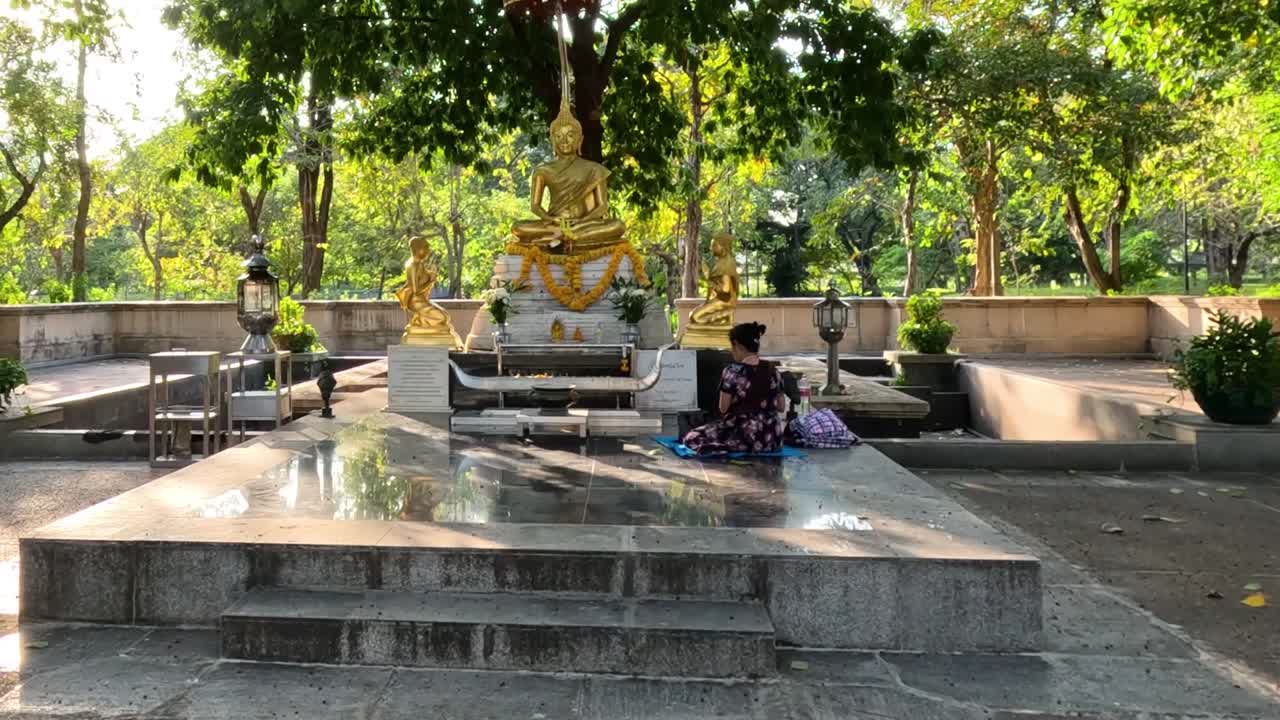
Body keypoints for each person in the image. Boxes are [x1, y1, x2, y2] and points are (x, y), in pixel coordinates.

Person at [681, 322, 786, 455]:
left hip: (745, 435)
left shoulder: (732, 372)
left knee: (692, 437)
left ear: (737, 345)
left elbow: (723, 408)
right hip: (773, 438)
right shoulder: (773, 370)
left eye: (732, 346)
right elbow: (781, 407)